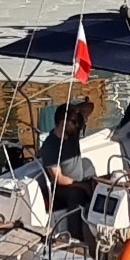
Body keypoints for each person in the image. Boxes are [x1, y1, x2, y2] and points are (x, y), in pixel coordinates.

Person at [38, 100, 95, 235]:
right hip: (62, 187)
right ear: (63, 122)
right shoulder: (50, 146)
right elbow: (58, 178)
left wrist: (75, 111)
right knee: (77, 195)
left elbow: (89, 107)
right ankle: (75, 236)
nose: (78, 125)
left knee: (103, 186)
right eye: (74, 122)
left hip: (79, 180)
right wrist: (81, 185)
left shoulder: (72, 134)